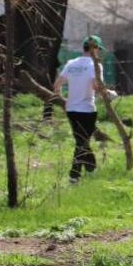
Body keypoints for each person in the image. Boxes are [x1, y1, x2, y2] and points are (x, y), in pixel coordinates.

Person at [52, 35, 106, 184]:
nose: (98, 53)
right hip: (87, 109)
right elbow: (96, 85)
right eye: (98, 49)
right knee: (81, 142)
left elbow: (57, 84)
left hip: (71, 109)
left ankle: (91, 168)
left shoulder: (71, 63)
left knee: (81, 140)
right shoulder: (95, 65)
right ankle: (74, 176)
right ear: (94, 49)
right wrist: (106, 94)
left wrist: (62, 98)